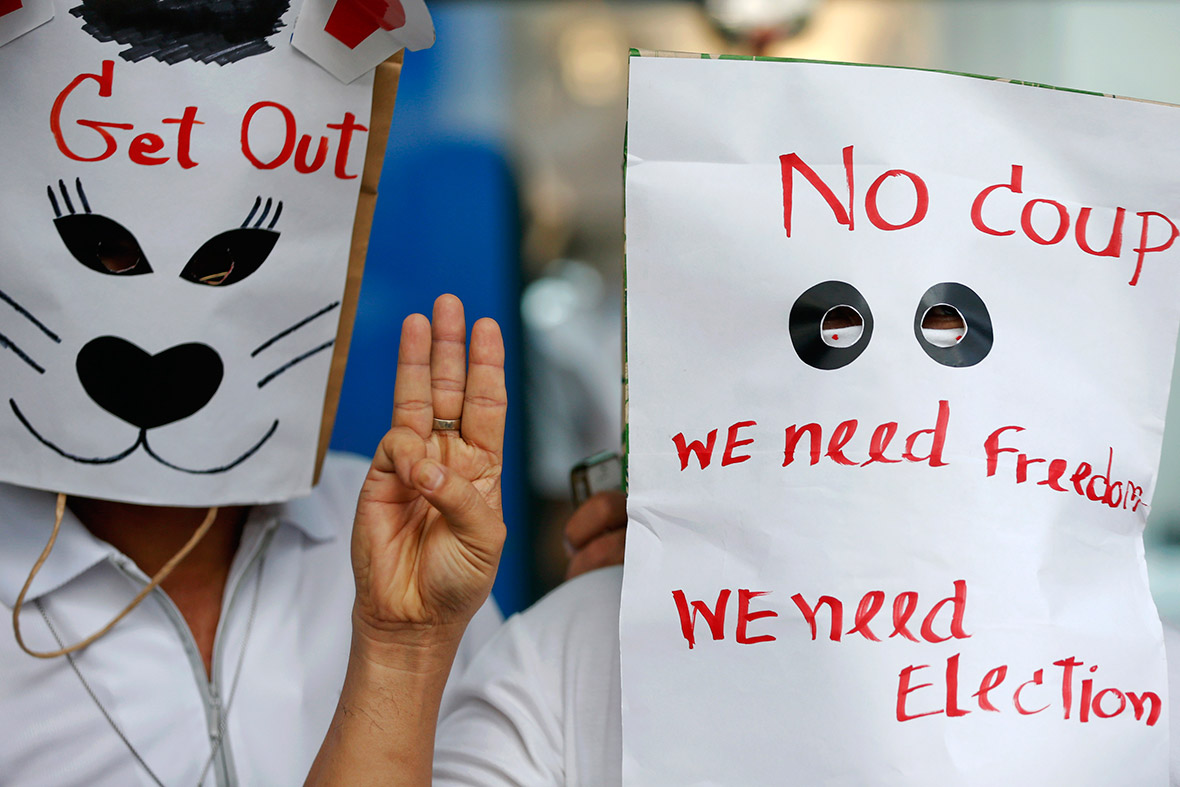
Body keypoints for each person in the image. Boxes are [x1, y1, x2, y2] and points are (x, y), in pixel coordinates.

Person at [309, 294, 1180, 786]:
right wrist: (403, 648)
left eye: (949, 335)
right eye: (830, 334)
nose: (889, 402)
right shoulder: (575, 653)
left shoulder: (1137, 686)